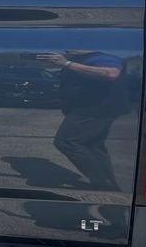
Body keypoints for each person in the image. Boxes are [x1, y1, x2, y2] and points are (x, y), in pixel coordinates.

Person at [37, 50, 125, 190]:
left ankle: (101, 182)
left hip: (94, 109)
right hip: (95, 108)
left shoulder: (102, 57)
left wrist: (67, 63)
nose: (67, 47)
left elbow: (110, 73)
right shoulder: (83, 58)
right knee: (93, 144)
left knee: (67, 141)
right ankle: (108, 183)